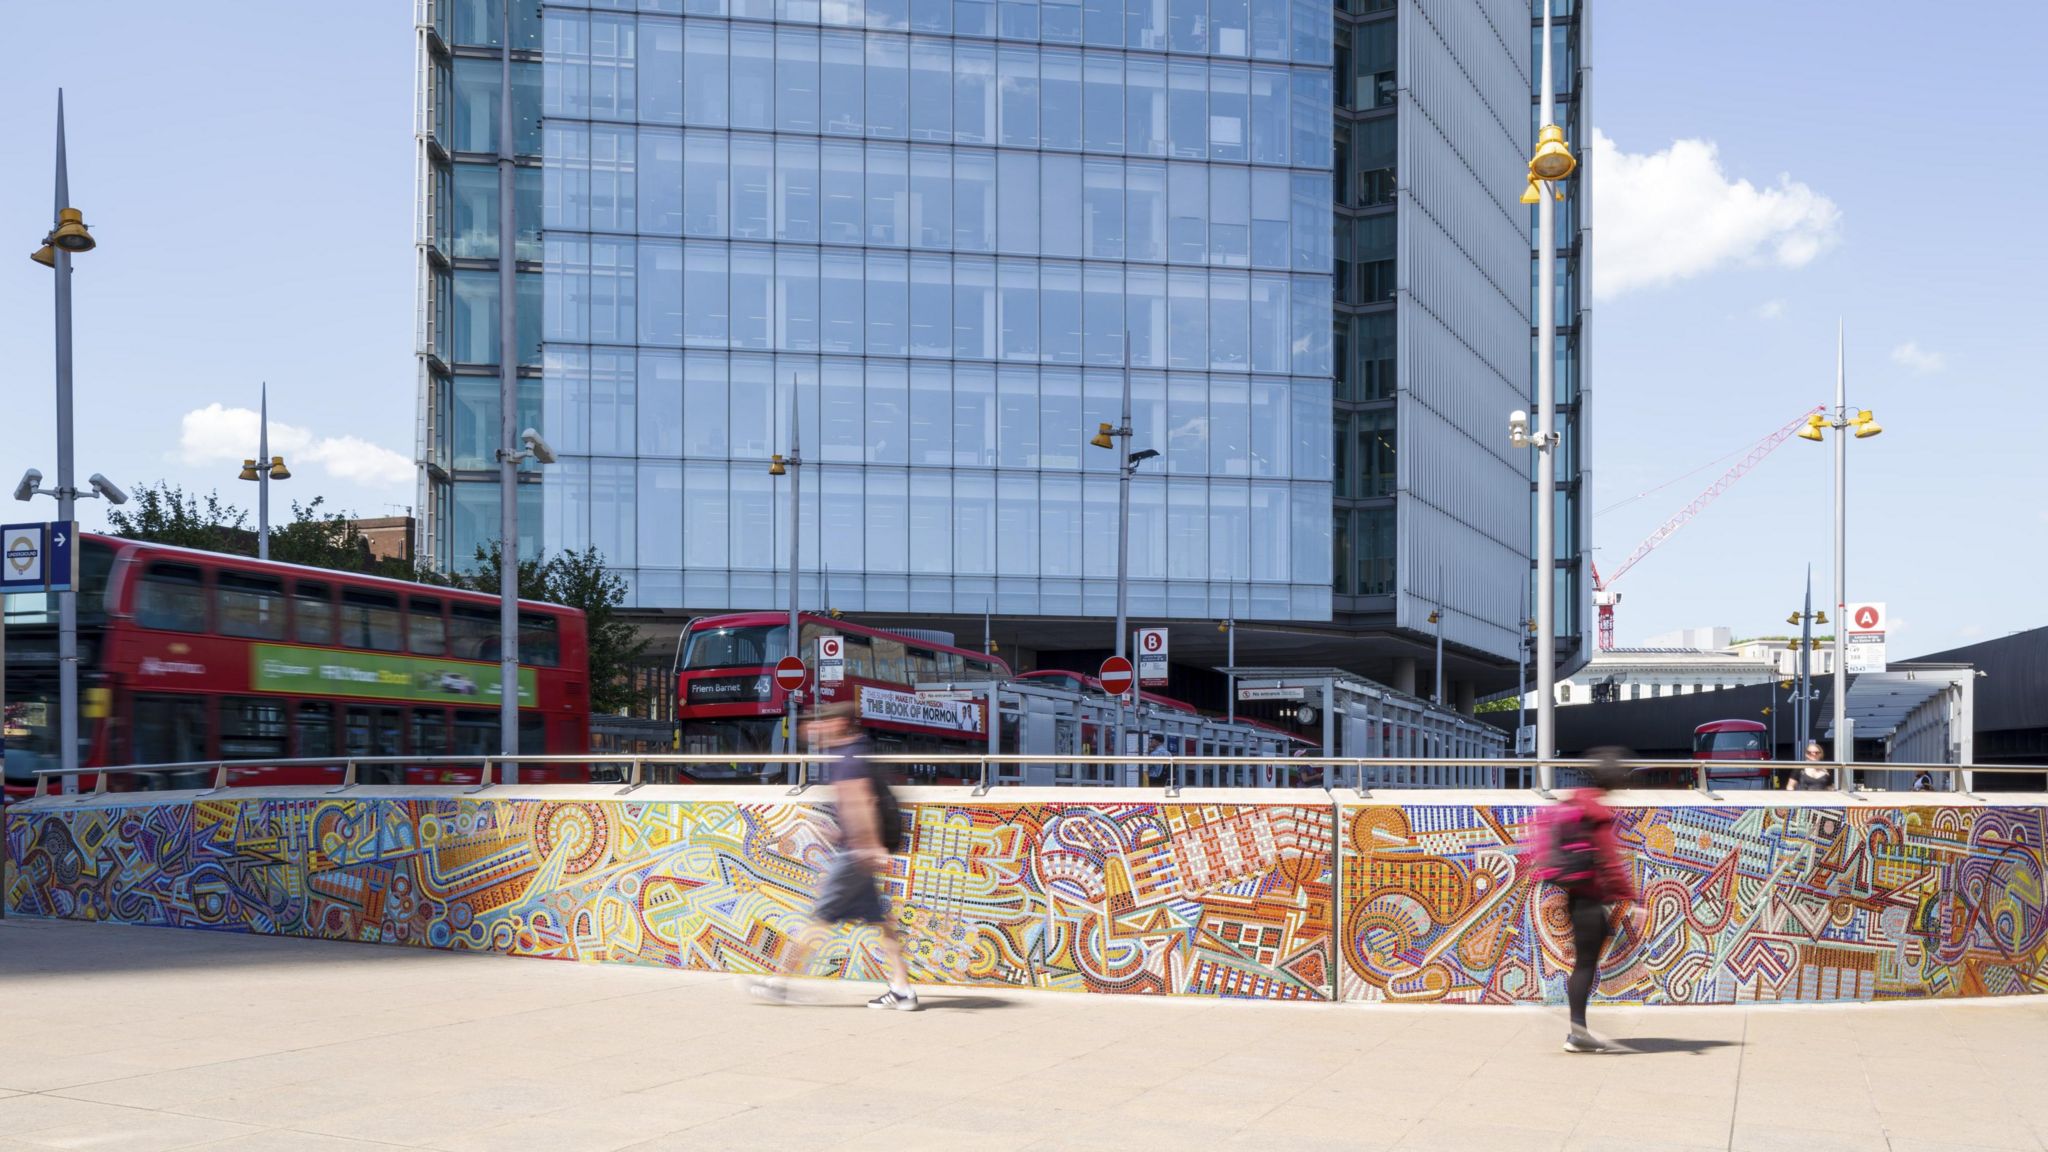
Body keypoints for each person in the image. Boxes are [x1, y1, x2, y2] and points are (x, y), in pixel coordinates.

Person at [750, 702, 920, 1011]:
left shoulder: (848, 759)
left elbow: (862, 804)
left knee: (820, 917)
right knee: (882, 922)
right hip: (859, 850)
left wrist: (867, 846)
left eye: (821, 724)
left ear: (839, 723)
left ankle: (778, 983)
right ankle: (902, 989)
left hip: (855, 855)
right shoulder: (856, 753)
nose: (814, 730)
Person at [1533, 749, 1642, 1054]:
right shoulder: (1596, 811)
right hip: (1589, 899)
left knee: (1584, 962)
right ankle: (1576, 1033)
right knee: (1584, 966)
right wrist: (1632, 899)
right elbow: (1608, 860)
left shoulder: (1576, 800)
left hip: (1575, 896)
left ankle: (1577, 1030)